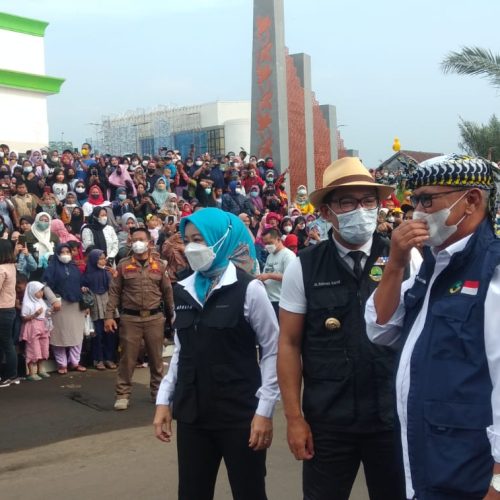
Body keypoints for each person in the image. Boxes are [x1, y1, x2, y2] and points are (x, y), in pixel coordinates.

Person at [364, 155, 500, 500]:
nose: (417, 212)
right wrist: (395, 263)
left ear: (470, 201)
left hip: (472, 470)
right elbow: (380, 328)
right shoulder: (432, 266)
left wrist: (498, 481)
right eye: (414, 201)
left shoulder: (492, 271)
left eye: (427, 199)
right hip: (428, 462)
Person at [278, 157, 408, 500]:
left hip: (392, 418)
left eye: (368, 201)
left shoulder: (404, 257)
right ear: (326, 212)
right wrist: (294, 418)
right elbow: (289, 345)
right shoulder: (303, 267)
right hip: (329, 422)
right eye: (346, 202)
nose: (359, 210)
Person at [153, 208, 279, 500]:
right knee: (192, 493)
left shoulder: (250, 289)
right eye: (187, 239)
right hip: (193, 415)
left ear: (221, 238)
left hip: (240, 415)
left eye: (200, 238)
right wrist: (164, 400)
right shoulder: (183, 289)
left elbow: (272, 350)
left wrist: (265, 411)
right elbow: (182, 351)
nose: (192, 246)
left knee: (249, 492)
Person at [104, 227, 174, 410]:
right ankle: (122, 394)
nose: (137, 243)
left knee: (156, 359)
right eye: (134, 239)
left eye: (141, 239)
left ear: (150, 242)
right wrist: (109, 316)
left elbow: (168, 293)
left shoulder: (160, 265)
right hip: (130, 319)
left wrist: (173, 316)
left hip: (154, 318)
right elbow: (114, 293)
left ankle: (158, 394)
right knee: (127, 359)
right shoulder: (123, 265)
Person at [43, 243, 86, 374]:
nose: (66, 254)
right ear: (57, 253)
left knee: (76, 335)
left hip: (76, 305)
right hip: (59, 305)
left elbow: (80, 284)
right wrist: (53, 300)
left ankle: (75, 362)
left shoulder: (74, 267)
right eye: (63, 252)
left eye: (68, 251)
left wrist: (84, 299)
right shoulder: (52, 268)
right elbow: (45, 285)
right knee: (59, 336)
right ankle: (62, 364)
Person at [82, 249, 117, 370]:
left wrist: (114, 276)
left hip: (107, 303)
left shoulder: (106, 272)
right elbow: (84, 289)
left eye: (104, 258)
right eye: (100, 259)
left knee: (110, 333)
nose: (103, 261)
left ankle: (109, 358)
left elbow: (113, 288)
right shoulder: (87, 275)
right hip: (95, 305)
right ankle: (98, 359)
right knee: (97, 335)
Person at [259, 228, 296, 318]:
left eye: (269, 243)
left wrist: (269, 276)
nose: (267, 246)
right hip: (269, 300)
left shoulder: (288, 255)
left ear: (278, 239)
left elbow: (290, 278)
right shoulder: (270, 256)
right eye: (265, 243)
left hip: (281, 301)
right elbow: (266, 274)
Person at [20, 281, 52, 381]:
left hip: (43, 326)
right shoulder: (27, 304)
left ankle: (41, 369)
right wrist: (35, 315)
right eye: (39, 291)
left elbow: (45, 313)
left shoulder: (41, 302)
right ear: (32, 291)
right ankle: (31, 372)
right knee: (33, 348)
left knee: (44, 347)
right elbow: (24, 318)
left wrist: (49, 312)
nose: (41, 293)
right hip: (33, 326)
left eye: (42, 291)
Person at [0, 239, 19, 388]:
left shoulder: (1, 269)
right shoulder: (11, 266)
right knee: (6, 342)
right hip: (9, 308)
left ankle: (10, 375)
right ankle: (10, 375)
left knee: (6, 343)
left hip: (2, 309)